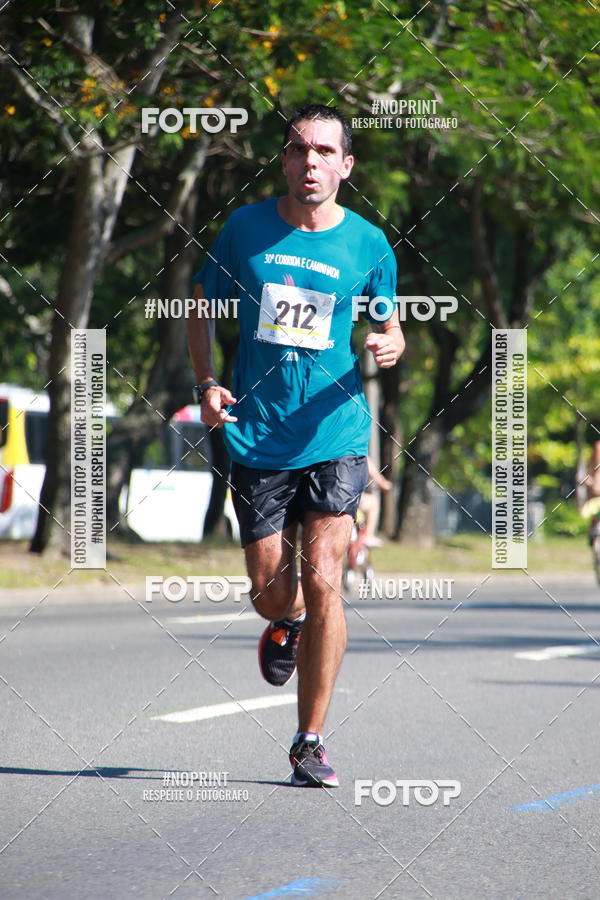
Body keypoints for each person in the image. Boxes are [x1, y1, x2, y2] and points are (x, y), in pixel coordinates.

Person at [187, 103, 405, 788]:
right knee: (272, 591)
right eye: (297, 150)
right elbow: (200, 306)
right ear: (285, 160)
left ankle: (310, 739)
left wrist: (391, 340)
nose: (309, 163)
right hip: (258, 433)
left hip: (336, 430)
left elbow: (390, 324)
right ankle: (285, 623)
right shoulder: (245, 229)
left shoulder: (369, 244)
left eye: (323, 152)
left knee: (324, 578)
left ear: (345, 165)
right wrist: (208, 381)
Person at [359, 457, 393, 548]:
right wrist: (385, 484)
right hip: (353, 500)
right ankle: (368, 536)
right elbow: (376, 476)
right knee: (374, 502)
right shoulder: (361, 454)